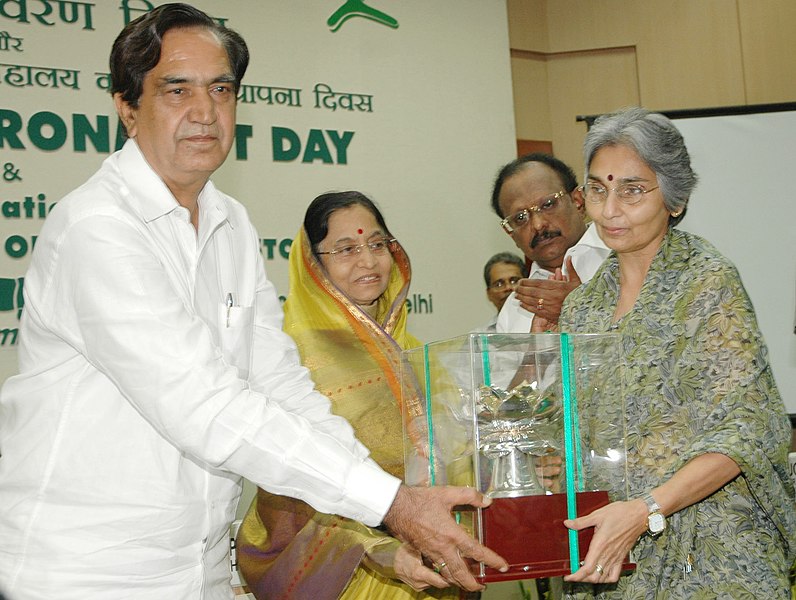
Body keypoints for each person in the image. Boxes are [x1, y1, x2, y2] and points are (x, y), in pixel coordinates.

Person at [0, 5, 506, 599]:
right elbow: (205, 406)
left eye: (221, 88)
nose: (204, 112)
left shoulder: (229, 222)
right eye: (176, 89)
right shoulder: (97, 227)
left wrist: (386, 511)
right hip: (88, 569)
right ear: (127, 108)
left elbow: (282, 386)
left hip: (201, 566)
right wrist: (392, 504)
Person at [550, 107, 796, 598]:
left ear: (675, 199)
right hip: (611, 554)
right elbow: (569, 428)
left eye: (633, 191)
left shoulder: (705, 281)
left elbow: (746, 427)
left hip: (712, 553)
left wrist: (647, 508)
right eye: (598, 189)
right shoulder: (581, 307)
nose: (610, 210)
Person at [236, 191, 463, 599]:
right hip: (350, 578)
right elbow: (290, 486)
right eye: (345, 249)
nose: (368, 260)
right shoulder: (289, 361)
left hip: (439, 566)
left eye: (377, 244)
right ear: (313, 265)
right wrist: (381, 548)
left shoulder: (418, 354)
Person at [491, 153, 610, 333]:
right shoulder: (514, 310)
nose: (538, 225)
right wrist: (537, 351)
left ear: (578, 202)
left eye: (548, 204)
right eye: (520, 217)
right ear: (511, 234)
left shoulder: (624, 259)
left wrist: (578, 309)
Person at [476, 252, 526, 332]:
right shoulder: (478, 338)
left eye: (514, 281)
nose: (508, 287)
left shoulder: (544, 326)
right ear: (489, 294)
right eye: (499, 284)